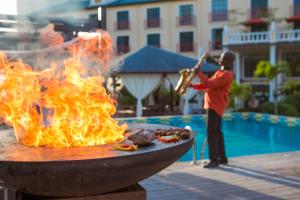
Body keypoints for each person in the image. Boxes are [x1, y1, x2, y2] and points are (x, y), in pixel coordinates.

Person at [189, 51, 235, 168]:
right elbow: (208, 85)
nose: (219, 59)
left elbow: (211, 84)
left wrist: (199, 74)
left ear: (228, 61)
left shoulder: (227, 74)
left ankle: (214, 159)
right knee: (217, 132)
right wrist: (193, 86)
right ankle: (222, 158)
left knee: (211, 132)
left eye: (222, 58)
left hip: (215, 105)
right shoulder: (220, 72)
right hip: (213, 104)